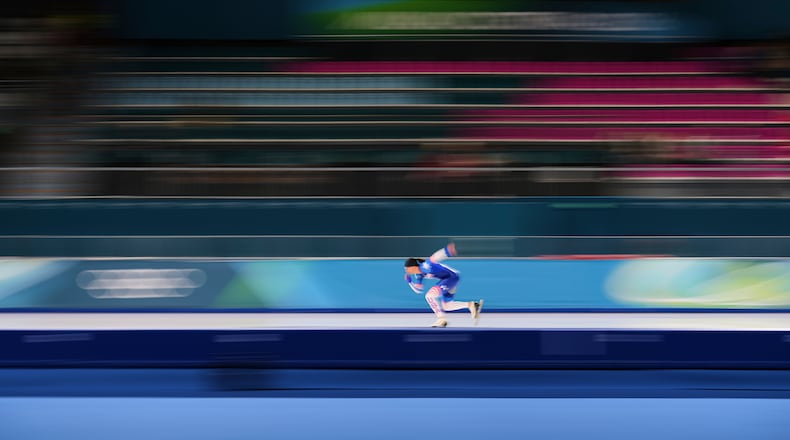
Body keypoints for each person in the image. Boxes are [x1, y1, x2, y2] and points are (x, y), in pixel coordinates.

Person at [404, 243, 483, 327]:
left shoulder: (425, 266)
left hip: (451, 278)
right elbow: (418, 290)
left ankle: (441, 319)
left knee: (429, 296)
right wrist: (410, 282)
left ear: (412, 267)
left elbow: (434, 258)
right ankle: (472, 305)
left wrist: (447, 251)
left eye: (407, 268)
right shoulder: (419, 275)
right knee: (447, 306)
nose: (406, 271)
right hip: (447, 280)